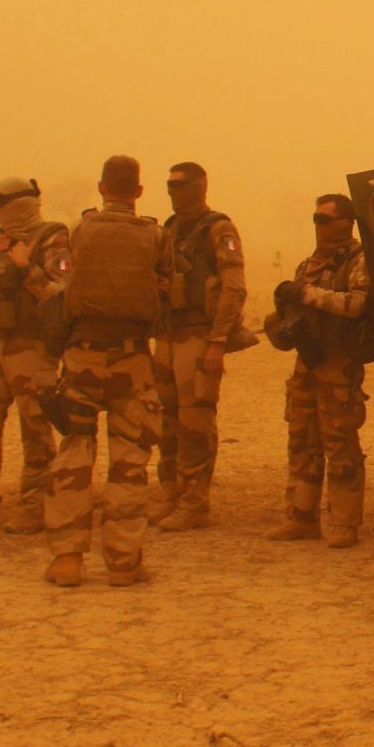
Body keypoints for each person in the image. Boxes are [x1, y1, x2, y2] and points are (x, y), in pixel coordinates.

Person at [35, 156, 164, 587]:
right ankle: (124, 563)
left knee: (74, 456)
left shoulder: (81, 229)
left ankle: (68, 559)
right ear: (139, 192)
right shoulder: (154, 235)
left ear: (102, 188)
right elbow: (168, 289)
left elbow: (66, 283)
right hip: (132, 360)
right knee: (129, 463)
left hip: (83, 357)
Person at [0, 175, 68, 533]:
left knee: (34, 424)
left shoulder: (53, 239)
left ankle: (37, 503)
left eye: (0, 204)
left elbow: (61, 294)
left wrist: (26, 267)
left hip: (33, 345)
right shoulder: (0, 243)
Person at [266, 194, 374, 548]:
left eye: (324, 219)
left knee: (339, 442)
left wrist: (308, 294)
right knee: (302, 440)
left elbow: (357, 304)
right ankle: (301, 517)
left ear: (346, 222)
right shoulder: (309, 264)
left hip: (338, 364)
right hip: (308, 361)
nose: (318, 226)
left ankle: (344, 523)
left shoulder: (360, 261)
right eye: (315, 218)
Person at [150, 161, 248, 531]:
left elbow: (233, 286)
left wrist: (218, 341)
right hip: (169, 334)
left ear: (200, 186)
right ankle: (172, 495)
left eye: (180, 184)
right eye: (169, 184)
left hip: (198, 335)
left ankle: (195, 504)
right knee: (167, 420)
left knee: (195, 420)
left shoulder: (218, 228)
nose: (173, 191)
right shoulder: (170, 229)